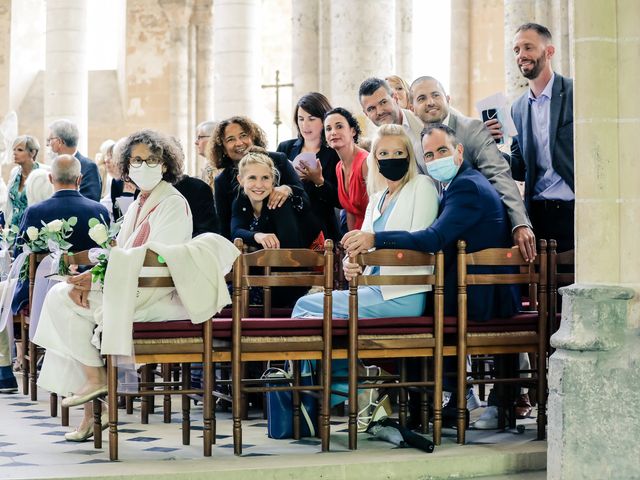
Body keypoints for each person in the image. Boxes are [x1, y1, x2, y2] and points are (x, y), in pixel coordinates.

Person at [343, 124, 520, 428]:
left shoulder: (466, 186)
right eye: (429, 154)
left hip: (480, 296)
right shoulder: (458, 184)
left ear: (459, 151)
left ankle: (435, 400)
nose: (436, 158)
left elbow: (433, 238)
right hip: (468, 289)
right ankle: (432, 400)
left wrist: (375, 239)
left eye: (442, 151)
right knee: (421, 301)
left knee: (421, 305)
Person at [33, 129, 193, 442]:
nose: (143, 165)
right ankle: (95, 405)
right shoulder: (138, 204)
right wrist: (89, 276)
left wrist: (95, 279)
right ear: (126, 165)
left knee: (62, 302)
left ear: (166, 164)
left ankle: (96, 383)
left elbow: (157, 258)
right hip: (133, 285)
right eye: (136, 160)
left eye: (152, 159)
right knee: (65, 303)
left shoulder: (173, 202)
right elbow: (119, 252)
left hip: (156, 294)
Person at [293, 124, 439, 418]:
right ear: (374, 159)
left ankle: (334, 393)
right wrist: (352, 262)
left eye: (398, 152)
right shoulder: (377, 198)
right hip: (373, 290)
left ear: (410, 156)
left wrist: (368, 250)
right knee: (313, 312)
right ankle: (350, 388)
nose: (391, 158)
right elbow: (363, 250)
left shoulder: (421, 187)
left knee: (305, 307)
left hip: (403, 292)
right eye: (383, 153)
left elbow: (418, 242)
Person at [410, 75, 536, 262]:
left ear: (447, 99)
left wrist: (520, 224)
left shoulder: (472, 129)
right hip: (444, 240)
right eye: (421, 98)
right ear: (412, 108)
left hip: (483, 236)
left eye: (436, 95)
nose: (430, 102)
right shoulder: (417, 148)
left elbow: (499, 175)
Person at [486, 23, 574, 253]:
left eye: (528, 47)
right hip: (538, 215)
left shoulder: (575, 93)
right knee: (542, 287)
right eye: (516, 50)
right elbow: (519, 168)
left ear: (549, 51)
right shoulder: (517, 109)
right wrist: (491, 147)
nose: (521, 55)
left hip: (575, 211)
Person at [209, 116, 307, 240]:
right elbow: (226, 228)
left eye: (243, 135)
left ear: (253, 137)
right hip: (248, 246)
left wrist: (287, 189)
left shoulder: (279, 160)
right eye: (231, 139)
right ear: (223, 148)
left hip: (293, 240)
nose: (239, 142)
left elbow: (304, 198)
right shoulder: (222, 182)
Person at [277, 92, 342, 241]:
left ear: (324, 120)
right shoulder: (285, 148)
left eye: (311, 119)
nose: (305, 125)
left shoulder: (334, 153)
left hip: (322, 229)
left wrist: (319, 182)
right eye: (301, 119)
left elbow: (339, 200)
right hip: (288, 225)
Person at [232, 147, 322, 250]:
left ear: (273, 180)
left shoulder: (279, 202)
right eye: (252, 178)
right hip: (273, 261)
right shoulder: (240, 200)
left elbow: (289, 251)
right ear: (241, 180)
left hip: (310, 257)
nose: (259, 185)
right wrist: (257, 236)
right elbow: (236, 231)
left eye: (265, 178)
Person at [359, 77, 425, 170]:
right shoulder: (376, 148)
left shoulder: (422, 123)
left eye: (383, 102)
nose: (380, 112)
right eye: (371, 109)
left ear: (395, 98)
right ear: (366, 114)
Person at [325, 107, 369, 231]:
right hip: (355, 239)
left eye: (339, 126)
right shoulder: (339, 167)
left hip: (373, 237)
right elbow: (350, 212)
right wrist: (349, 247)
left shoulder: (366, 162)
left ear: (353, 131)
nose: (333, 132)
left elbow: (379, 211)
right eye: (328, 129)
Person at [47, 119, 102, 202]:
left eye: (50, 139)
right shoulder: (54, 166)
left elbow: (91, 200)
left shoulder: (88, 167)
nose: (48, 144)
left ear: (59, 142)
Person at [4, 135, 48, 229]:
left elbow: (47, 204)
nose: (14, 153)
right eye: (14, 150)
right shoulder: (14, 172)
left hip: (34, 229)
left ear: (32, 152)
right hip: (13, 229)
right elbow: (9, 203)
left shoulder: (44, 173)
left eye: (19, 150)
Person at [195, 120, 218, 191]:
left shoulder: (221, 167)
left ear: (213, 139)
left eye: (199, 137)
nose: (196, 142)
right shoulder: (209, 164)